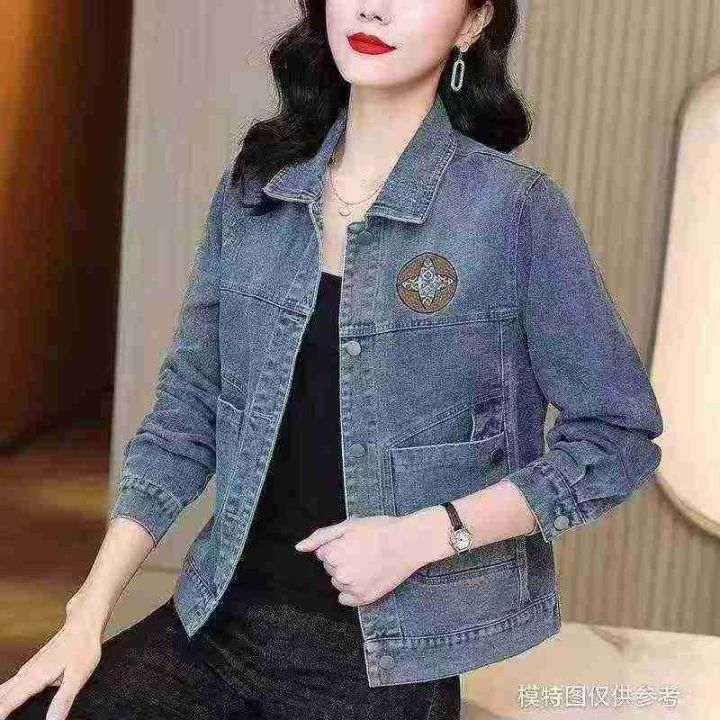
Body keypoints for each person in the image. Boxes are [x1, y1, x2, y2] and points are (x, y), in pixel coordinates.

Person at [2, 0, 664, 718]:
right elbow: (185, 416)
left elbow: (617, 437)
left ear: (474, 23)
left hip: (383, 666)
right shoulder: (259, 191)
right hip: (217, 624)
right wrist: (86, 615)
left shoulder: (513, 212)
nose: (373, 7)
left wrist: (425, 535)